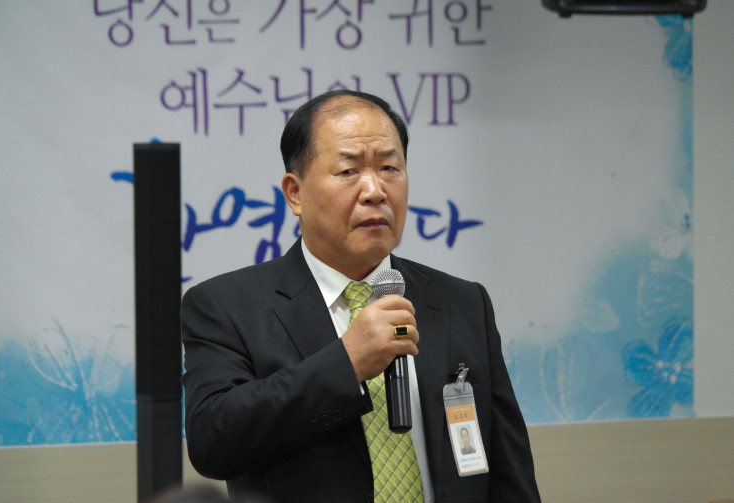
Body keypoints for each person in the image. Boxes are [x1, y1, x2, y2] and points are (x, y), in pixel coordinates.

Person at [181, 90, 541, 502]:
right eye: (348, 171)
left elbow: (509, 472)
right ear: (295, 193)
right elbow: (213, 444)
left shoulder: (462, 301)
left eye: (389, 168)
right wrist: (346, 363)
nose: (375, 190)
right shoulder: (227, 306)